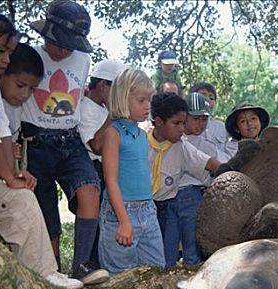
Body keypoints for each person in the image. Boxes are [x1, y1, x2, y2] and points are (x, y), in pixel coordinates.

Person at [0, 7, 82, 289]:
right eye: (0, 51)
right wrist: (9, 178)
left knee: (21, 196)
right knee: (19, 203)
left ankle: (46, 270)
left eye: (9, 53)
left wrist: (13, 175)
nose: (5, 60)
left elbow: (3, 135)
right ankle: (41, 274)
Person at [19, 0, 108, 284]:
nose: (65, 50)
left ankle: (81, 264)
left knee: (90, 189)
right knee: (47, 213)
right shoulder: (28, 56)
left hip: (70, 141)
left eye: (72, 44)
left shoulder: (82, 60)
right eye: (60, 43)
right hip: (35, 142)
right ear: (47, 33)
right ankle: (53, 270)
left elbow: (78, 100)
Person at [99, 68, 166, 274]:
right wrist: (124, 221)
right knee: (119, 276)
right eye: (141, 100)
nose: (147, 106)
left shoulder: (142, 135)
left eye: (149, 100)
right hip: (121, 213)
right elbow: (110, 180)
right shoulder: (113, 133)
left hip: (147, 210)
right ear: (122, 97)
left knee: (156, 270)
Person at [148, 92, 220, 267]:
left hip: (170, 205)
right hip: (143, 208)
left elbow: (210, 164)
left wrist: (234, 170)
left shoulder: (182, 146)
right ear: (158, 122)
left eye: (182, 123)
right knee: (159, 255)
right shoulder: (140, 142)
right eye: (177, 123)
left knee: (183, 246)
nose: (181, 129)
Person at [77, 58, 128, 265]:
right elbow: (96, 145)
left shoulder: (105, 109)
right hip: (95, 170)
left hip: (111, 171)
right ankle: (88, 264)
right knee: (97, 222)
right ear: (102, 85)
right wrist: (113, 117)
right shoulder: (85, 108)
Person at [0, 43, 44, 171]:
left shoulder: (17, 109)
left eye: (32, 89)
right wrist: (4, 151)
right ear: (0, 74)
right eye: (20, 85)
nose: (25, 94)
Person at [188, 82, 235, 161]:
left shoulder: (222, 126)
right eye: (203, 95)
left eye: (211, 98)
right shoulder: (184, 125)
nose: (207, 100)